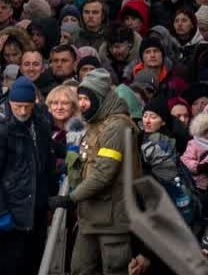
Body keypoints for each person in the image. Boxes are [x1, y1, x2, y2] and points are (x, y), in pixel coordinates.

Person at [62, 70, 136, 275]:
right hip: (90, 217)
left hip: (112, 220)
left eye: (87, 98)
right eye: (80, 98)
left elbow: (104, 172)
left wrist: (72, 198)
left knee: (115, 269)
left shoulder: (118, 126)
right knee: (79, 268)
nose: (82, 104)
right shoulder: (94, 124)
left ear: (102, 98)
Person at [0, 76, 51, 275]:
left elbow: (45, 158)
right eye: (18, 106)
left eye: (27, 106)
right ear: (10, 102)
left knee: (33, 261)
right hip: (11, 206)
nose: (22, 111)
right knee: (11, 263)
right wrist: (1, 213)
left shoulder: (39, 120)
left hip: (35, 204)